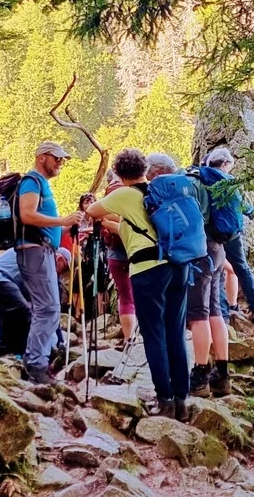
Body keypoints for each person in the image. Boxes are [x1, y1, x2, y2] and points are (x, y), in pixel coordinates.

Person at [87, 149, 189, 418]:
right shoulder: (162, 191)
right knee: (175, 334)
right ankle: (182, 401)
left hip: (147, 270)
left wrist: (105, 209)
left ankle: (164, 400)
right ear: (145, 169)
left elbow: (92, 210)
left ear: (119, 173)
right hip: (179, 266)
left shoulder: (124, 194)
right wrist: (114, 222)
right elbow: (133, 228)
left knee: (154, 335)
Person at [146, 153, 231, 399]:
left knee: (198, 315)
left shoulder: (178, 185)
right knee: (215, 311)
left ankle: (201, 374)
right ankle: (222, 376)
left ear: (159, 173)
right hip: (217, 249)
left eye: (152, 176)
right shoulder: (201, 179)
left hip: (199, 252)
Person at [16, 141, 85, 385]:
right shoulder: (32, 181)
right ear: (42, 157)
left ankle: (36, 360)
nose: (60, 163)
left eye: (62, 159)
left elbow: (43, 221)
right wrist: (62, 220)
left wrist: (68, 225)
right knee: (47, 308)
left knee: (46, 307)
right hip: (35, 250)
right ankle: (36, 364)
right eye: (56, 158)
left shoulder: (39, 183)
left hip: (41, 250)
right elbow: (27, 214)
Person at [204, 148, 254, 325]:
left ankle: (223, 313)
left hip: (210, 233)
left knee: (217, 270)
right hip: (231, 233)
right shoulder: (229, 181)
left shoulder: (201, 178)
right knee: (241, 268)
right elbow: (239, 205)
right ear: (225, 164)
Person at [0, 243, 73, 357]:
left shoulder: (40, 259)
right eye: (62, 267)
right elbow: (47, 306)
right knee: (24, 313)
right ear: (58, 258)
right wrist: (59, 340)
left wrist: (60, 340)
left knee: (0, 325)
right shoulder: (43, 260)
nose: (60, 272)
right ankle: (14, 353)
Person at [102, 173, 137, 343]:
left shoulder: (108, 197)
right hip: (137, 249)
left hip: (116, 251)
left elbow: (97, 217)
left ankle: (129, 338)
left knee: (125, 296)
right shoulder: (134, 191)